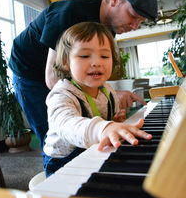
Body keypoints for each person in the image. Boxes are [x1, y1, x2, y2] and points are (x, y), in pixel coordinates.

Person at [8, 0, 157, 150]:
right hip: (29, 73)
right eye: (133, 16)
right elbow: (53, 80)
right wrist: (113, 96)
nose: (135, 26)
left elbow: (89, 78)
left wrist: (111, 99)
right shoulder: (69, 13)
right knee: (55, 137)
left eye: (140, 22)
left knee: (86, 127)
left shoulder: (109, 29)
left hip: (59, 75)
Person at [43, 22, 152, 177]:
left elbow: (112, 116)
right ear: (66, 62)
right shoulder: (61, 94)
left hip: (94, 152)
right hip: (63, 163)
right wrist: (103, 128)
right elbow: (67, 124)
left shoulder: (107, 90)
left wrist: (116, 120)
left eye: (105, 56)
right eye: (85, 56)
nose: (97, 62)